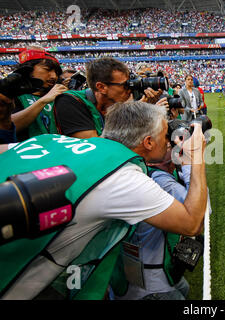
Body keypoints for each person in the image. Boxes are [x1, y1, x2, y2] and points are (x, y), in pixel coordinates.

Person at [0, 101, 208, 299]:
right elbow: (192, 224)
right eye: (164, 135)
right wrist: (195, 157)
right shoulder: (122, 178)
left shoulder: (48, 139)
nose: (167, 141)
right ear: (148, 142)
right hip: (22, 283)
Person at [115, 145, 196, 300]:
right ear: (148, 143)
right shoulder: (162, 181)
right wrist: (190, 163)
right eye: (166, 142)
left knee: (183, 287)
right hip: (150, 281)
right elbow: (201, 213)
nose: (171, 145)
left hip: (127, 267)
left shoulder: (127, 171)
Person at [54, 57, 163, 139]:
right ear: (101, 87)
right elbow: (94, 147)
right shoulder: (70, 101)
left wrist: (141, 108)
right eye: (124, 85)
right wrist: (132, 114)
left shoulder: (113, 104)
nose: (129, 90)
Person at [11, 49, 67, 142]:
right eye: (47, 70)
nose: (54, 76)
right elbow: (9, 127)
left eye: (56, 72)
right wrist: (43, 101)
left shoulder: (59, 96)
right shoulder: (12, 96)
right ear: (28, 70)